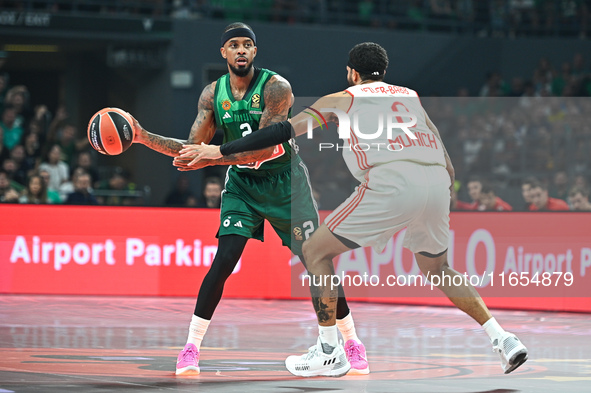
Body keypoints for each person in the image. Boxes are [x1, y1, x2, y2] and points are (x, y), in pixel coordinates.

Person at [183, 42, 529, 377]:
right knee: (439, 269)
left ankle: (329, 351)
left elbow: (281, 131)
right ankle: (503, 338)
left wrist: (220, 151)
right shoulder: (409, 96)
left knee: (314, 250)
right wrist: (441, 189)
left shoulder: (342, 99)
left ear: (352, 73)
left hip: (393, 181)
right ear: (384, 72)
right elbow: (441, 149)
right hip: (437, 182)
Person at [131, 23, 368, 376]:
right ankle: (191, 348)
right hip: (243, 186)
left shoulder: (275, 88)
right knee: (224, 259)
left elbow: (266, 145)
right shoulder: (212, 95)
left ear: (255, 52)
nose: (241, 50)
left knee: (316, 263)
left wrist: (212, 155)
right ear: (223, 53)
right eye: (233, 45)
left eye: (247, 45)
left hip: (286, 184)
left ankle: (351, 342)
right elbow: (192, 150)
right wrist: (141, 135)